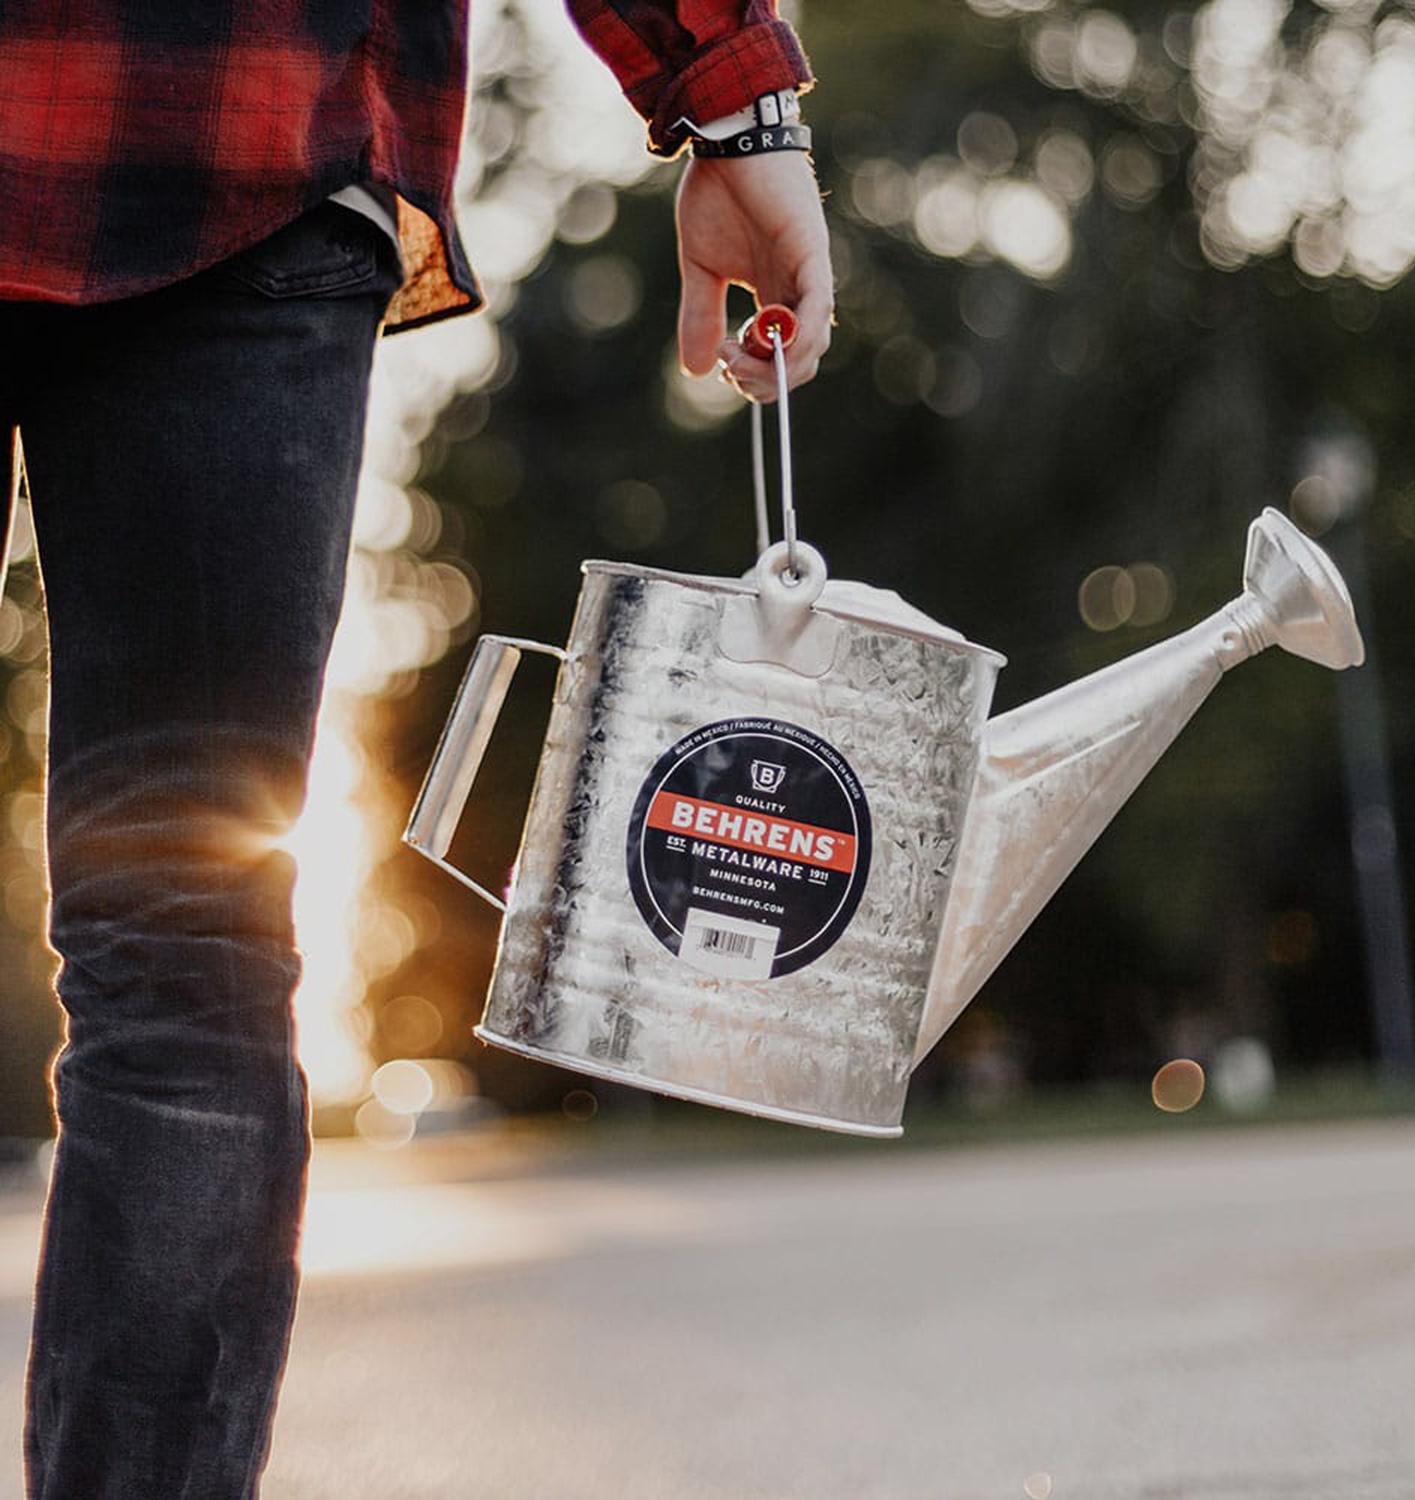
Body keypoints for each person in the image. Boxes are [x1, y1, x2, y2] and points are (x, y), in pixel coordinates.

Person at [0, 3, 832, 1495]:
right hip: (239, 109)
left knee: (186, 945)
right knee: (184, 945)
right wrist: (729, 97)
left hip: (236, 131)